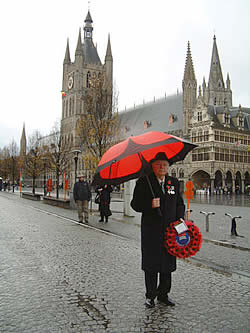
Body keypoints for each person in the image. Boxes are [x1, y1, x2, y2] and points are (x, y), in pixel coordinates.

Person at [130, 152, 185, 308]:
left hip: (170, 231)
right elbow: (134, 204)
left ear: (168, 167)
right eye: (158, 164)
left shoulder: (174, 182)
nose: (162, 167)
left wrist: (180, 219)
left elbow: (179, 204)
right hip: (151, 231)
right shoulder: (143, 182)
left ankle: (163, 295)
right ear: (152, 166)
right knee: (151, 264)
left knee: (167, 265)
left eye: (165, 165)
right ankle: (150, 296)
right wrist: (149, 204)